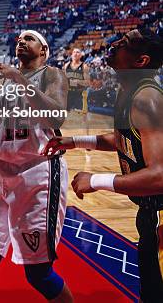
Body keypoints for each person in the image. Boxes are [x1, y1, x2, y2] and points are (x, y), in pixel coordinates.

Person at [43, 28, 163, 303]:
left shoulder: (148, 98)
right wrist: (75, 141)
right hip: (149, 213)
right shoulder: (131, 91)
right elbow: (125, 139)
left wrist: (95, 180)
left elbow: (159, 176)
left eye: (126, 42)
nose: (116, 43)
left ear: (140, 61)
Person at [0, 30, 73, 302]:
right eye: (19, 39)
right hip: (1, 174)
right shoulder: (6, 82)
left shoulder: (53, 75)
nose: (21, 42)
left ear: (44, 51)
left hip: (37, 174)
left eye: (29, 38)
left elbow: (56, 115)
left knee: (38, 273)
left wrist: (18, 79)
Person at [63, 48, 90, 113]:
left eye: (77, 52)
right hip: (68, 94)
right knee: (65, 117)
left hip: (79, 94)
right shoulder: (66, 65)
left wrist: (77, 81)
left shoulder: (84, 66)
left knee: (79, 117)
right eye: (74, 52)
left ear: (80, 55)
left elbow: (88, 83)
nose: (75, 53)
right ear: (71, 55)